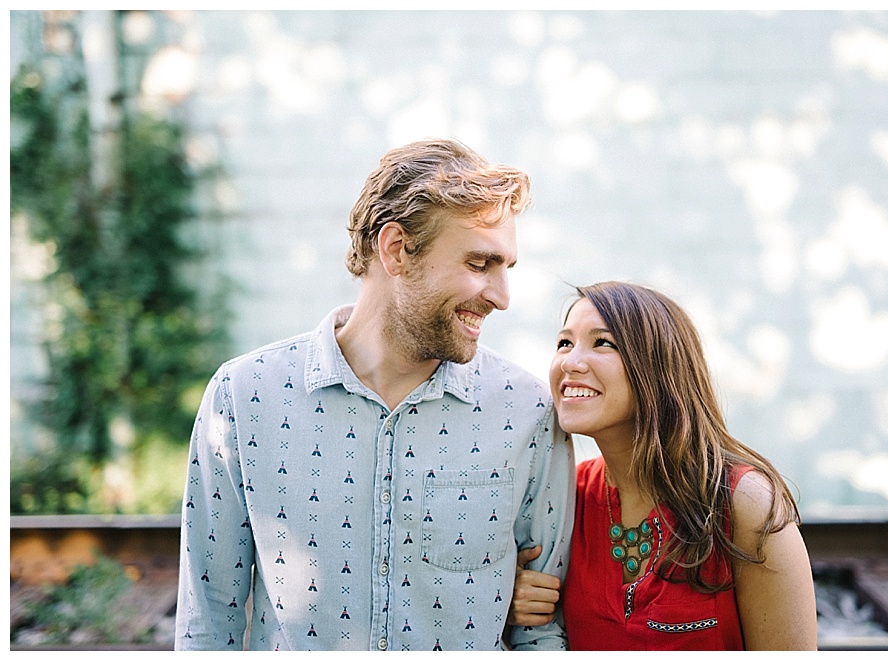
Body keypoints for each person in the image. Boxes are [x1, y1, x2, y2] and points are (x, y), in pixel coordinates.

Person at [174, 139, 575, 651]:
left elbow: (540, 636)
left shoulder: (527, 412)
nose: (501, 296)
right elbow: (208, 622)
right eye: (480, 264)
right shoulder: (244, 397)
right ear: (396, 249)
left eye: (505, 268)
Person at [509, 281, 817, 650]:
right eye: (564, 343)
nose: (570, 363)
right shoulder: (563, 495)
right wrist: (504, 597)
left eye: (602, 342)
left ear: (659, 367)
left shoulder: (744, 502)